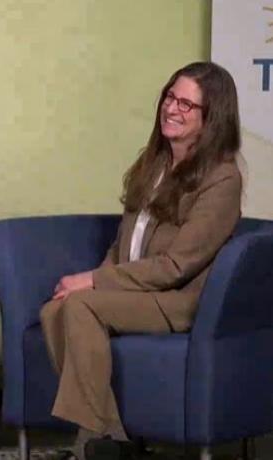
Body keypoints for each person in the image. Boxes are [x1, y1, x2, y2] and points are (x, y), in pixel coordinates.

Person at [39, 61, 243, 460]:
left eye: (187, 105)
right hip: (139, 290)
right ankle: (112, 436)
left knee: (80, 304)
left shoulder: (222, 179)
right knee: (54, 310)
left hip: (178, 299)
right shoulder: (152, 164)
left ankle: (94, 439)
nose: (172, 108)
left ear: (211, 118)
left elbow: (176, 266)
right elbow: (123, 246)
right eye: (170, 97)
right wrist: (98, 274)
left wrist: (93, 283)